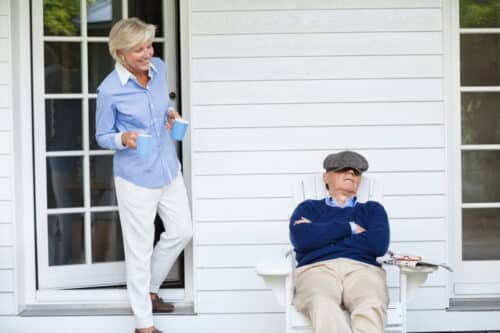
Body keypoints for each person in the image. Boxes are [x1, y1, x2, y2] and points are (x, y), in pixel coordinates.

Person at [95, 18, 193, 333]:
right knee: (138, 250)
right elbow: (102, 135)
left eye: (149, 45)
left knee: (181, 231)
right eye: (139, 49)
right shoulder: (110, 90)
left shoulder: (160, 68)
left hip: (168, 167)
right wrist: (124, 139)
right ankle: (143, 323)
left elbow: (161, 105)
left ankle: (149, 289)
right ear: (120, 52)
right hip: (135, 177)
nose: (147, 52)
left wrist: (170, 115)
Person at [289, 151, 390, 333]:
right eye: (343, 170)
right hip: (316, 269)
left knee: (370, 302)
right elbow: (301, 239)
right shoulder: (308, 207)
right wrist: (350, 228)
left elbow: (377, 244)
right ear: (326, 177)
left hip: (363, 269)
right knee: (322, 302)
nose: (351, 173)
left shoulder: (373, 210)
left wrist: (321, 234)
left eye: (356, 172)